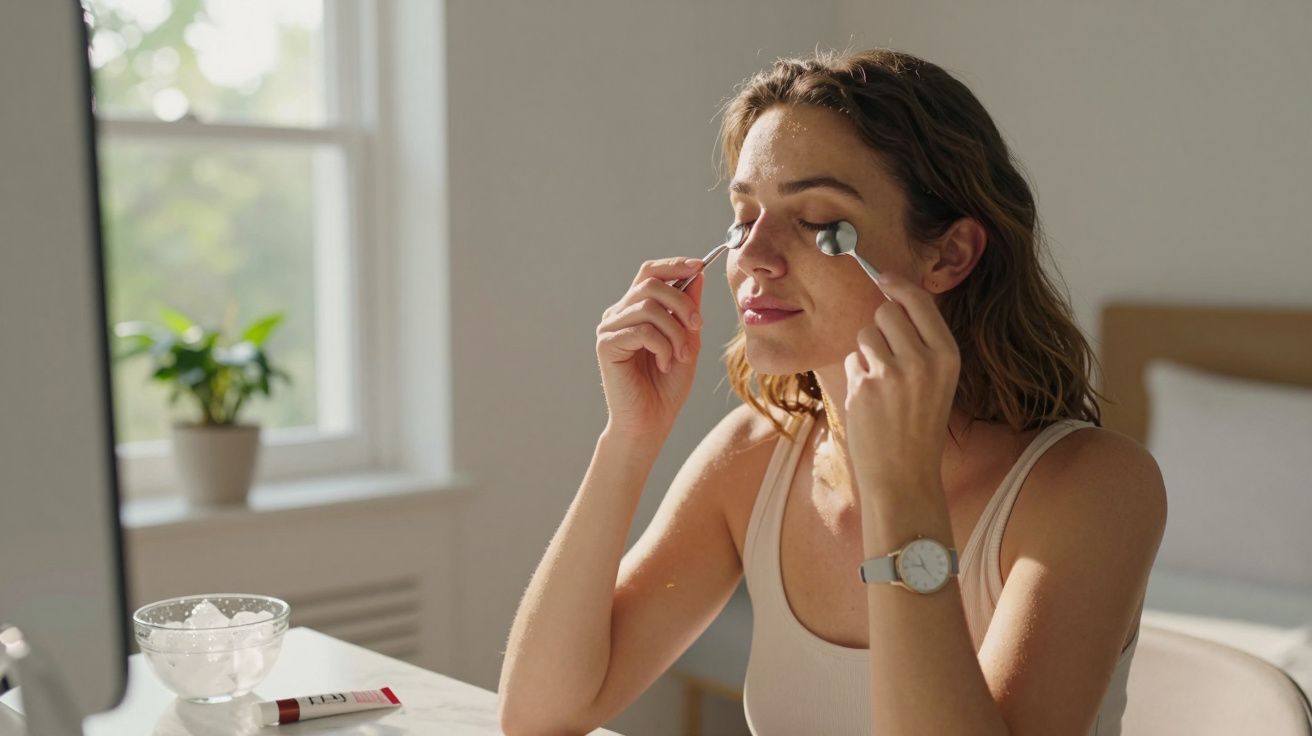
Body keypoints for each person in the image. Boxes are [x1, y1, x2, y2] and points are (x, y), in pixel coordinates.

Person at [498, 47, 1166, 736]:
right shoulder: (754, 460)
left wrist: (901, 488)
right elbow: (542, 714)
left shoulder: (1092, 490)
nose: (753, 257)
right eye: (743, 214)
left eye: (818, 220)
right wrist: (628, 438)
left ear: (950, 255)